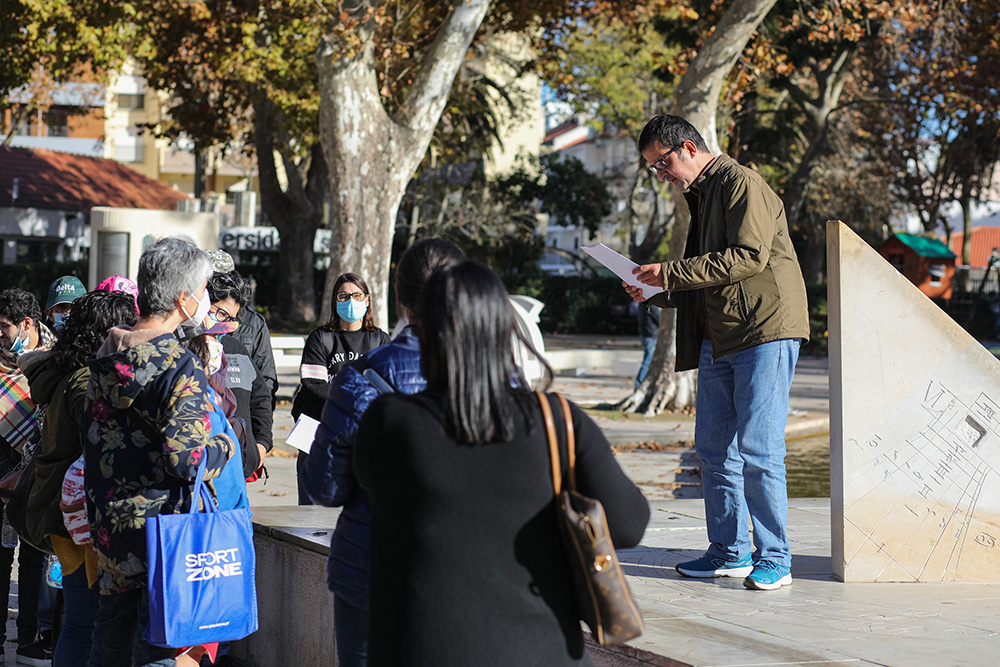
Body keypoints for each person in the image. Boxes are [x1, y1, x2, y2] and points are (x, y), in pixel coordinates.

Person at [354, 261, 650, 666]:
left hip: (425, 649)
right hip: (542, 650)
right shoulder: (557, 421)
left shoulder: (390, 423)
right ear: (505, 330)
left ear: (425, 333)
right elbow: (630, 524)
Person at [626, 114, 810, 591]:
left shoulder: (741, 183)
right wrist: (656, 290)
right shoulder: (702, 196)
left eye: (662, 164)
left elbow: (748, 257)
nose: (661, 175)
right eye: (653, 168)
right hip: (719, 336)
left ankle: (776, 558)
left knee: (759, 450)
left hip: (764, 330)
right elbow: (708, 278)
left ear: (689, 148)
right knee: (712, 450)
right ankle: (729, 552)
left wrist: (669, 273)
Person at [301, 238, 464, 667]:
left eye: (357, 296)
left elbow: (324, 488)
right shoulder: (503, 379)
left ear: (397, 297)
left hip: (371, 565)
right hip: (467, 568)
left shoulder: (359, 377)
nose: (350, 303)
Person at [81, 237, 235, 667]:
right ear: (184, 300)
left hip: (110, 526)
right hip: (163, 536)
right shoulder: (179, 366)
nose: (206, 301)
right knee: (158, 648)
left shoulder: (105, 356)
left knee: (110, 637)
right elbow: (187, 460)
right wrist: (225, 444)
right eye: (203, 291)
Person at [20, 291, 138, 666]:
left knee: (77, 620)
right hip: (80, 516)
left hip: (63, 511)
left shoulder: (64, 372)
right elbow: (100, 451)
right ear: (108, 331)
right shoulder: (88, 382)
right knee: (83, 624)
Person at [293, 272, 390, 505]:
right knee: (312, 510)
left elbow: (387, 389)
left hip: (364, 438)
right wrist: (357, 403)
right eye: (343, 296)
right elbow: (313, 386)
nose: (350, 301)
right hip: (318, 435)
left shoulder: (380, 340)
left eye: (357, 295)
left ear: (367, 299)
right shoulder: (320, 338)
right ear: (335, 301)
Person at [0, 288, 56, 665]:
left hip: (39, 472)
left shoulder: (55, 358)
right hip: (3, 473)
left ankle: (28, 639)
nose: (0, 335)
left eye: (4, 327)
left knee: (34, 557)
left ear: (26, 324)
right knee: (2, 558)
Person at [204, 270, 273, 480]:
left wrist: (261, 445)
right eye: (221, 314)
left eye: (232, 319)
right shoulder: (181, 349)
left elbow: (261, 398)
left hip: (237, 469)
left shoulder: (236, 348)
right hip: (199, 469)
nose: (226, 325)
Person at [206, 250, 279, 409]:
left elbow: (265, 380)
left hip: (241, 413)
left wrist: (259, 419)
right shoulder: (192, 319)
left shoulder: (253, 323)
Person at [634, 302, 660, 387]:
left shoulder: (642, 303)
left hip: (645, 334)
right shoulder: (651, 304)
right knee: (647, 362)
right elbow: (658, 318)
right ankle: (639, 384)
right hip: (650, 335)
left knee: (647, 361)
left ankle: (640, 384)